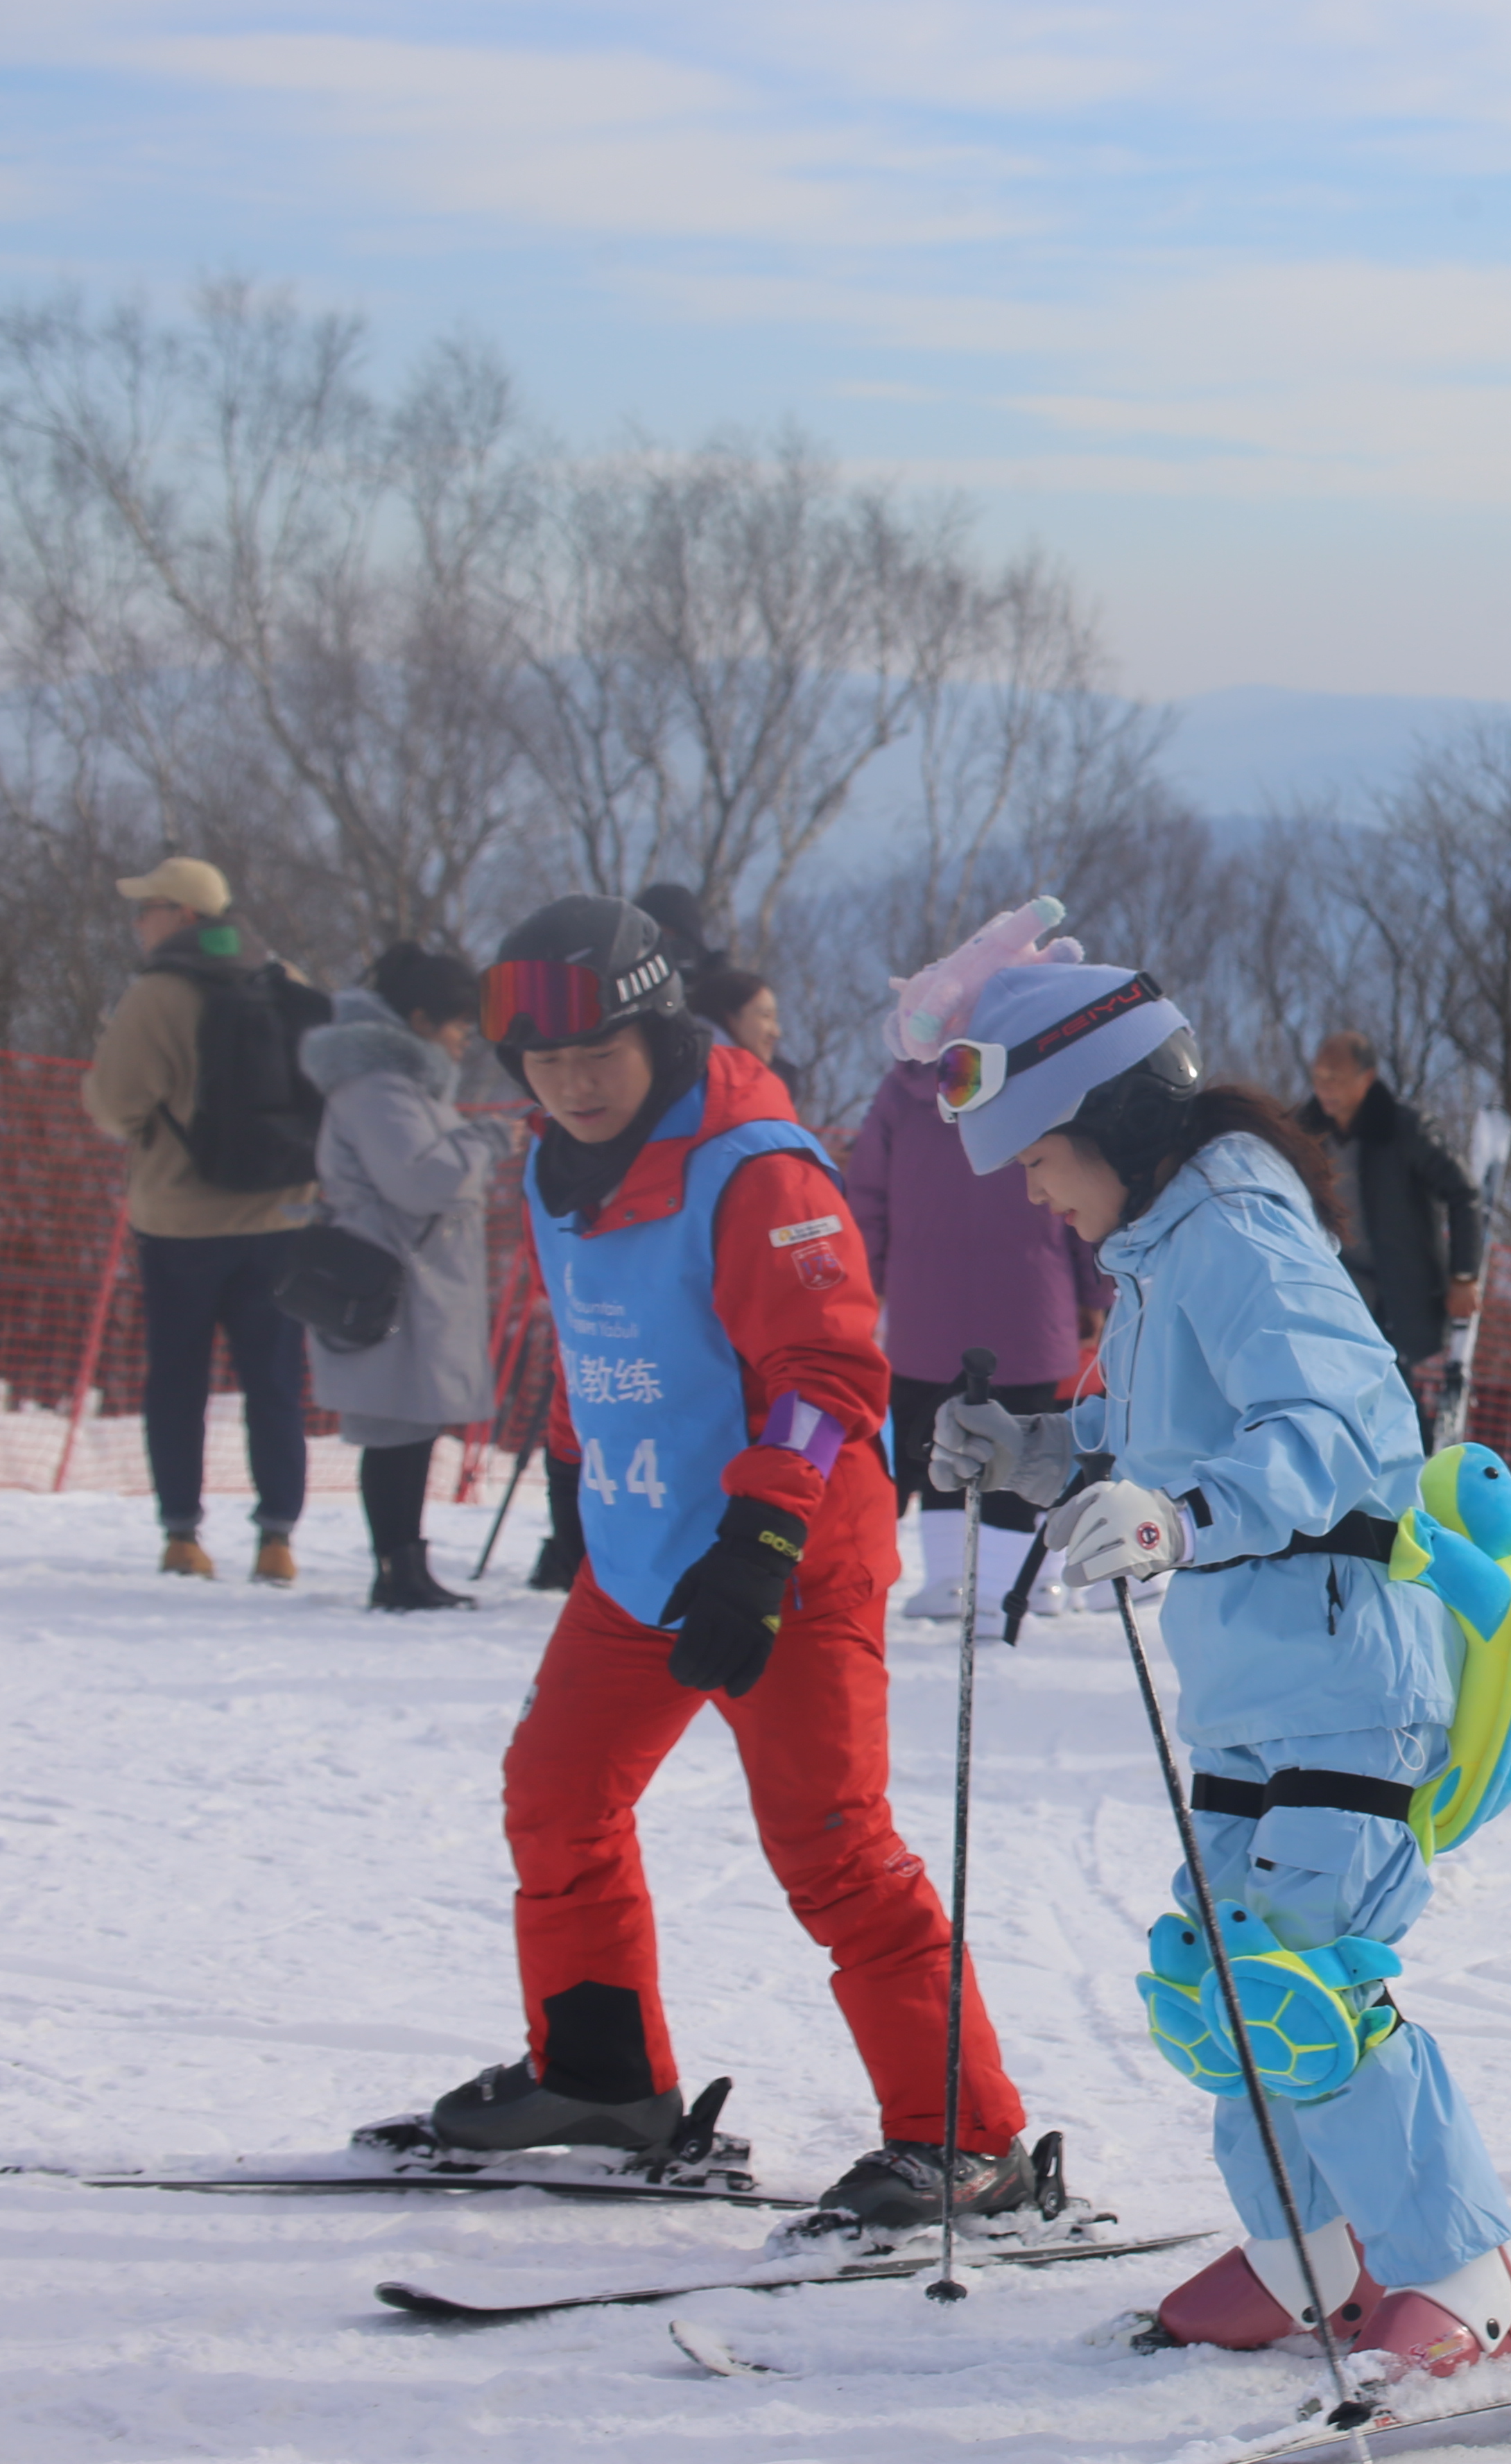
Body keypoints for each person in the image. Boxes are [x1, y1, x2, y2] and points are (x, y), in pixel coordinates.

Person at [923, 960, 1511, 2377]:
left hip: (1343, 1674)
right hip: (1253, 1684)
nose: (1031, 1193)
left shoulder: (1240, 1231)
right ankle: (1304, 2255)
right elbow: (1151, 1440)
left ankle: (1459, 2265)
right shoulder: (1158, 1249)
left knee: (1302, 1983)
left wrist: (1181, 1519)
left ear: (1112, 1121)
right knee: (1217, 1978)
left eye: (1040, 1158)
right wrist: (1031, 1455)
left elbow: (1340, 1429)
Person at [425, 893, 1040, 2234]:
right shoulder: (552, 1165)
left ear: (655, 1031)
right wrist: (583, 1485)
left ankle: (966, 2136)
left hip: (788, 1563)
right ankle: (600, 2078)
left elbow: (832, 1370)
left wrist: (760, 1544)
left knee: (831, 1846)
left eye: (599, 1051)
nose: (573, 1080)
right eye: (544, 1061)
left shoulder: (754, 1164)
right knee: (556, 1792)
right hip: (644, 1557)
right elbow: (601, 1347)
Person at [844, 968, 1111, 1626]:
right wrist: (1093, 1287)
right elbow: (1078, 1181)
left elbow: (867, 1196)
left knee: (939, 1437)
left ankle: (947, 1580)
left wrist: (867, 1281)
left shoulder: (899, 1094)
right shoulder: (1032, 1085)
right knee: (1022, 1429)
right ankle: (1009, 1583)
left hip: (922, 1303)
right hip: (1030, 1296)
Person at [84, 855, 324, 1583]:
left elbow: (112, 1106)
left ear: (183, 915)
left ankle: (184, 1535)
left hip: (182, 1223)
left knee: (178, 1382)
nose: (137, 922)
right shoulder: (287, 980)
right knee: (275, 1383)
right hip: (282, 1215)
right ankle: (278, 1538)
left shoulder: (155, 996)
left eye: (147, 908)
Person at [300, 944, 514, 1611]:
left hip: (407, 1281)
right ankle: (398, 1570)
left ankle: (404, 1566)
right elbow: (421, 1180)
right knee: (396, 1433)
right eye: (457, 1029)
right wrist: (484, 1142)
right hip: (395, 1285)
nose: (461, 1045)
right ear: (421, 1021)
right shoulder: (379, 1088)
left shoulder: (393, 1086)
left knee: (408, 1431)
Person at [1295, 1031, 1486, 1418]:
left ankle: (1415, 1467)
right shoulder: (1304, 1132)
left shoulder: (1404, 1129)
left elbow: (1464, 1194)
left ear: (1366, 1078)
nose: (1324, 1088)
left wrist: (1464, 1276)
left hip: (1400, 1285)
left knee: (1391, 1389)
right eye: (1319, 1077)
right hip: (1335, 1280)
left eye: (1336, 1077)